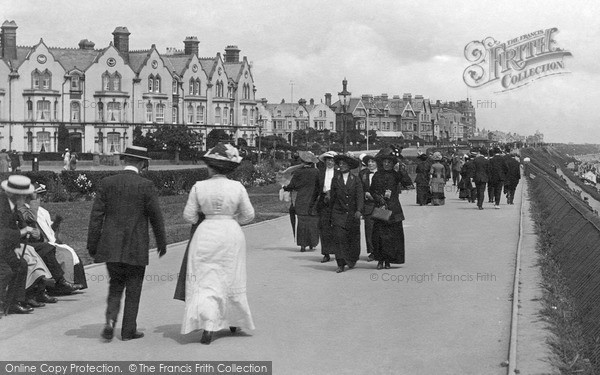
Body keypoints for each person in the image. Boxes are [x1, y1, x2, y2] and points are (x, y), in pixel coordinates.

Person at [87, 145, 167, 342]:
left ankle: (110, 321)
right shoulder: (146, 185)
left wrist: (92, 244)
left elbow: (96, 217)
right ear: (141, 163)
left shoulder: (107, 183)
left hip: (111, 246)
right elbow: (156, 217)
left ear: (124, 160)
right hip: (136, 246)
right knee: (134, 289)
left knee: (115, 285)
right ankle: (128, 330)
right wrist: (161, 242)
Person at [179, 143, 255, 345]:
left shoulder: (199, 186)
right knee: (231, 277)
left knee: (206, 280)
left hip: (206, 234)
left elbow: (189, 216)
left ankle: (207, 326)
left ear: (211, 167)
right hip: (230, 234)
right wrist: (231, 221)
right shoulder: (237, 187)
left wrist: (205, 220)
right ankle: (233, 320)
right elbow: (249, 214)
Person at [32, 184, 87, 289]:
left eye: (41, 196)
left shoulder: (43, 212)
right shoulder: (30, 212)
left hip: (50, 241)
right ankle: (62, 285)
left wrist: (56, 223)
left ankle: (73, 281)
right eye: (38, 196)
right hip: (40, 243)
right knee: (64, 254)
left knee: (70, 252)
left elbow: (49, 230)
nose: (40, 199)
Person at [0, 175, 38, 314]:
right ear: (14, 194)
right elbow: (2, 232)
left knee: (21, 265)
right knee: (5, 272)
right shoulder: (2, 205)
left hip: (4, 248)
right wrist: (23, 232)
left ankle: (14, 302)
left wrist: (15, 246)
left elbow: (11, 228)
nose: (25, 198)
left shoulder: (11, 205)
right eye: (23, 195)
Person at [370, 148, 410, 269]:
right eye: (385, 162)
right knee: (379, 235)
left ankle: (389, 260)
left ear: (393, 164)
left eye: (389, 162)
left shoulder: (396, 175)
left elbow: (408, 183)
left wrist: (401, 171)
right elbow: (372, 190)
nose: (387, 164)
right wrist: (379, 199)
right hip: (381, 207)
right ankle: (380, 260)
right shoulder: (377, 175)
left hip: (393, 207)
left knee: (392, 236)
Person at [329, 154, 363, 273]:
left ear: (349, 166)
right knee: (339, 238)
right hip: (338, 213)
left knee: (352, 238)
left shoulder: (356, 179)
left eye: (344, 164)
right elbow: (332, 197)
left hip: (352, 214)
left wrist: (359, 210)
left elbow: (359, 196)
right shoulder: (335, 179)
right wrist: (330, 213)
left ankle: (352, 260)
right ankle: (341, 263)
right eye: (340, 164)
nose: (341, 166)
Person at [283, 151, 320, 252]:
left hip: (301, 200)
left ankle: (303, 245)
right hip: (313, 200)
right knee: (312, 223)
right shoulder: (316, 172)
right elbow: (319, 185)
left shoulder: (298, 172)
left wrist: (285, 188)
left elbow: (292, 186)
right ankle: (312, 243)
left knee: (302, 223)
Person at [317, 151, 338, 263]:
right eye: (328, 160)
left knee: (336, 227)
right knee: (324, 227)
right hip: (324, 202)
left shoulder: (338, 173)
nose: (330, 162)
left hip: (336, 202)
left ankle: (337, 251)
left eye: (332, 160)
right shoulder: (320, 173)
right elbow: (317, 189)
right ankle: (326, 253)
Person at [358, 155, 377, 261]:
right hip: (368, 206)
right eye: (369, 162)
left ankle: (381, 251)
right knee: (369, 229)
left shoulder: (382, 174)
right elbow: (359, 189)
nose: (370, 164)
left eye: (373, 162)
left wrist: (374, 196)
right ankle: (372, 252)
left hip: (380, 205)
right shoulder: (363, 174)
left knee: (380, 229)